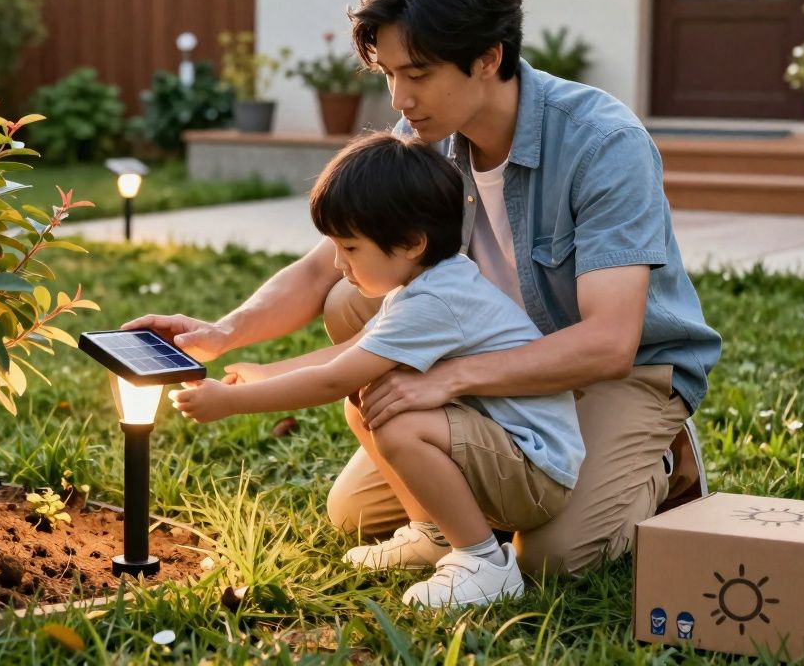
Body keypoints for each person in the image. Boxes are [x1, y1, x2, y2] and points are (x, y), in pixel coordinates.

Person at [126, 0, 721, 577]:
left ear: (488, 58)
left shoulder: (602, 143)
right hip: (488, 349)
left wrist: (450, 380)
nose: (399, 99)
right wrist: (223, 333)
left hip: (618, 375)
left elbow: (609, 344)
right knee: (355, 496)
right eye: (388, 73)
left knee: (553, 558)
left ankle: (661, 461)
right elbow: (322, 266)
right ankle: (466, 506)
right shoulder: (425, 137)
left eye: (417, 73)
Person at [171, 133, 584, 608]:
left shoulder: (435, 301)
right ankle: (433, 535)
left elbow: (334, 378)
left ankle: (484, 564)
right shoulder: (426, 281)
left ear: (411, 243)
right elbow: (350, 356)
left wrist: (231, 402)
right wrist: (265, 374)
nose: (337, 263)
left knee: (399, 423)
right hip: (507, 453)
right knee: (368, 400)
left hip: (536, 475)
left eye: (349, 247)